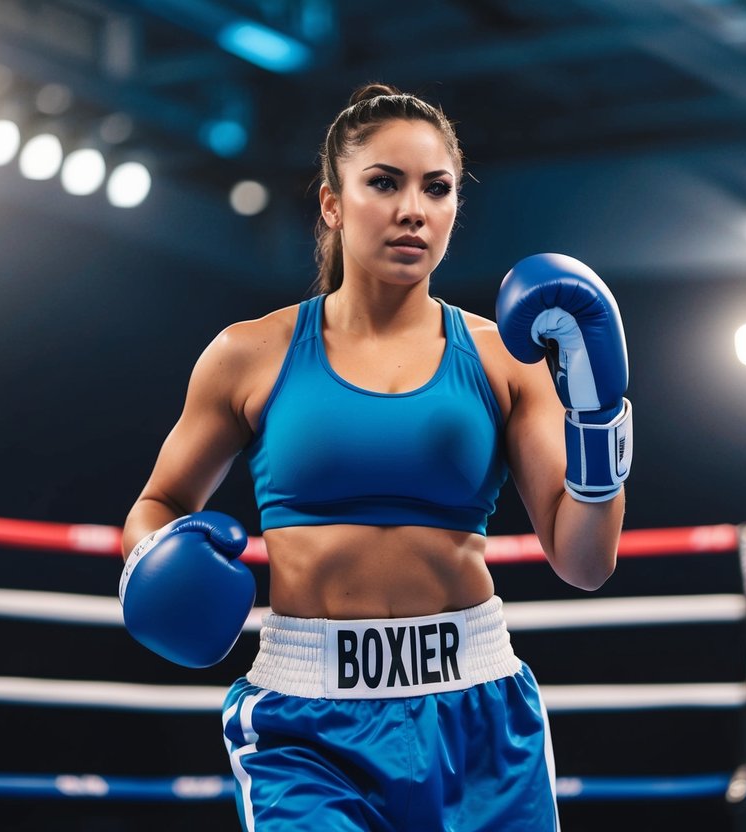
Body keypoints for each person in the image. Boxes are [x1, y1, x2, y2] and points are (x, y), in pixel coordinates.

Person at [118, 83, 632, 831]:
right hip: (307, 722)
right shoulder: (248, 354)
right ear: (332, 203)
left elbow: (586, 562)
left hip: (477, 710)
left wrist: (597, 416)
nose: (412, 210)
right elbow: (155, 504)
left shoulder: (504, 358)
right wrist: (158, 557)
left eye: (437, 188)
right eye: (384, 183)